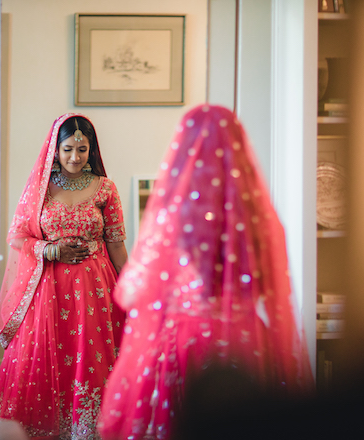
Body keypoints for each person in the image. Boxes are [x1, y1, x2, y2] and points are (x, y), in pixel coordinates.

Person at [97, 104, 314, 440]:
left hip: (184, 340)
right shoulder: (260, 219)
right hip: (246, 340)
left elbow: (138, 289)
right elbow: (273, 290)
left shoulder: (173, 219)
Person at [0, 113, 128, 439]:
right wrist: (49, 250)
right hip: (47, 296)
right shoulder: (40, 190)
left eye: (82, 150)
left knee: (92, 364)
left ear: (91, 149)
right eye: (68, 148)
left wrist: (135, 293)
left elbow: (116, 246)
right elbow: (17, 237)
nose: (74, 157)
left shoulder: (105, 189)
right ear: (55, 149)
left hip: (96, 295)